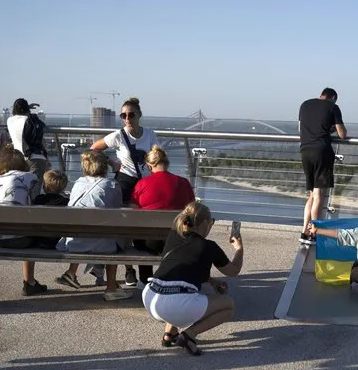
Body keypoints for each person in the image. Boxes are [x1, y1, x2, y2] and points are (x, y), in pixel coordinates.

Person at [142, 201, 244, 356]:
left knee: (179, 288)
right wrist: (239, 249)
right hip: (177, 304)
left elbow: (186, 267)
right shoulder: (208, 246)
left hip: (151, 298)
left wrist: (212, 281)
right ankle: (189, 335)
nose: (211, 225)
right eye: (212, 222)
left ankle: (169, 334)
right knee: (228, 306)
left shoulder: (173, 236)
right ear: (204, 223)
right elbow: (233, 271)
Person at [91, 97, 157, 287]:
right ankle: (129, 270)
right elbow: (94, 148)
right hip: (125, 182)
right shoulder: (118, 136)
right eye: (123, 115)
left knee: (142, 226)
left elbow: (155, 157)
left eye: (131, 115)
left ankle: (140, 270)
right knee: (126, 227)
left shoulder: (150, 134)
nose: (127, 118)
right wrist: (113, 163)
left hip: (144, 184)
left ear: (139, 115)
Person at [56, 150, 132, 301]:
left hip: (74, 243)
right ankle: (111, 287)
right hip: (104, 245)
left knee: (85, 227)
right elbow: (117, 213)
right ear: (104, 167)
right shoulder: (111, 184)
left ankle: (72, 272)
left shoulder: (78, 183)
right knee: (114, 233)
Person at [131, 145, 196, 286]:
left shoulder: (142, 184)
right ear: (166, 162)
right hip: (177, 240)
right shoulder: (184, 183)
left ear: (149, 166)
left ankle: (145, 279)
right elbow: (192, 209)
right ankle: (173, 276)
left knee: (141, 231)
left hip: (149, 243)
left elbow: (134, 213)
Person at [0, 145, 46, 296]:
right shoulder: (31, 178)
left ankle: (30, 282)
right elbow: (34, 204)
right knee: (30, 229)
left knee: (23, 226)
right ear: (22, 163)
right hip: (21, 239)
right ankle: (29, 281)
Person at [298, 87, 346, 246]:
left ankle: (304, 231)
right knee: (319, 194)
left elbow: (301, 129)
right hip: (321, 151)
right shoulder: (333, 107)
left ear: (321, 95)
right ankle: (314, 233)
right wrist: (332, 127)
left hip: (305, 150)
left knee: (311, 194)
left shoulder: (305, 105)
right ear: (332, 98)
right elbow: (342, 134)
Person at [7, 98, 49, 201]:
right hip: (35, 158)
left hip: (19, 159)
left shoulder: (10, 120)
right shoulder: (30, 119)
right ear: (26, 109)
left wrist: (26, 108)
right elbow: (41, 127)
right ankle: (33, 214)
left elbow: (19, 116)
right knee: (34, 191)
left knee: (21, 190)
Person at [32, 170, 69, 249]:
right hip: (58, 241)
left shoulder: (39, 199)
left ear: (45, 186)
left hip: (40, 240)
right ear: (64, 187)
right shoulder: (66, 202)